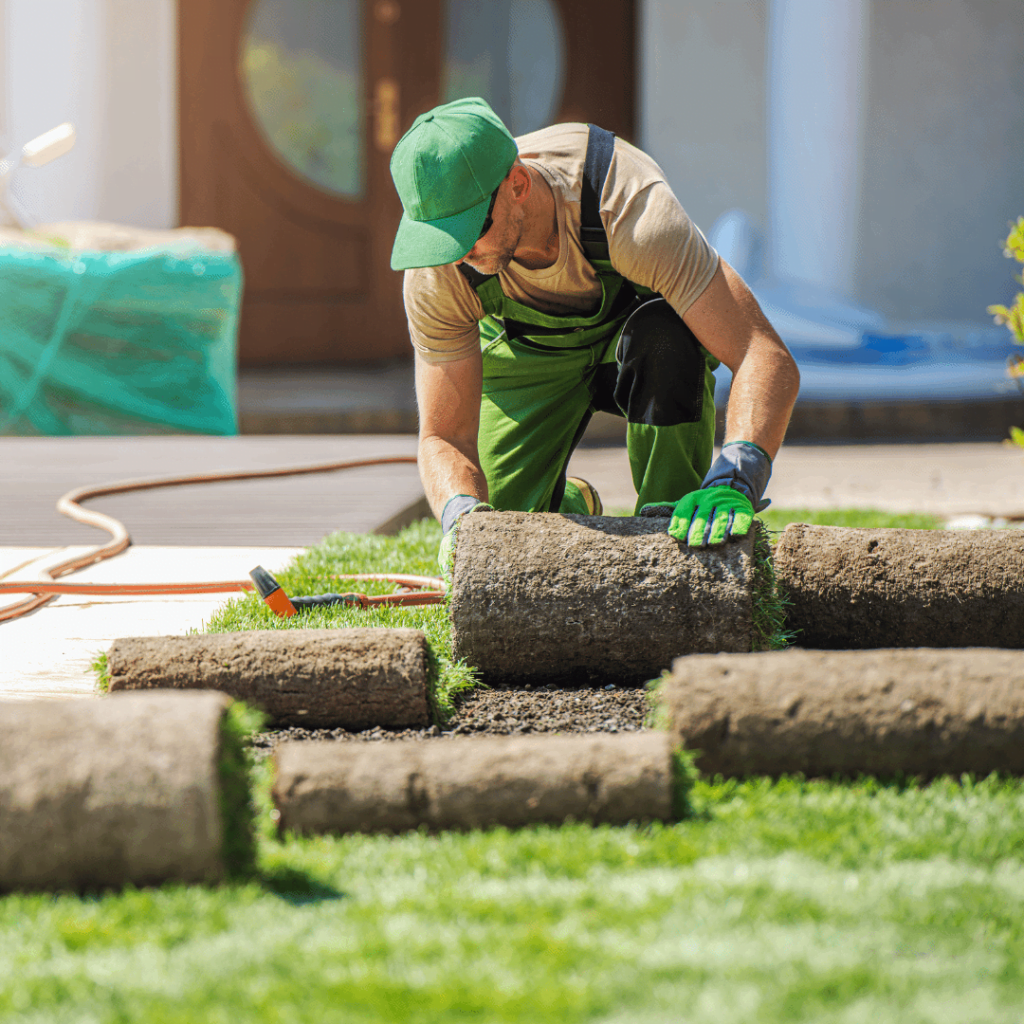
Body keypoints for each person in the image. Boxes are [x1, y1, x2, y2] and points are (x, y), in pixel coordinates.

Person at [389, 97, 799, 567]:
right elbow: (442, 437)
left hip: (635, 343)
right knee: (501, 538)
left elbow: (762, 354)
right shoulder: (438, 270)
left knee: (666, 334)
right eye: (441, 237)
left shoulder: (629, 209)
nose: (458, 254)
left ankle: (668, 523)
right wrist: (460, 516)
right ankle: (570, 504)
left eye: (469, 231)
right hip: (526, 355)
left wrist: (738, 475)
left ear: (517, 183)